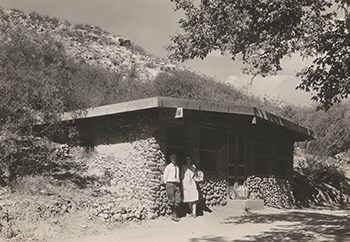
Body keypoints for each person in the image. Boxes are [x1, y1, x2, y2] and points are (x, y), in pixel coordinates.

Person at [163, 154, 181, 222]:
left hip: (176, 184)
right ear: (170, 158)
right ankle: (173, 214)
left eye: (175, 157)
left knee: (178, 199)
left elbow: (178, 176)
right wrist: (167, 184)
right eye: (173, 157)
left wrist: (178, 182)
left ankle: (175, 212)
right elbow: (165, 175)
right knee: (172, 200)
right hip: (170, 184)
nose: (174, 159)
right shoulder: (168, 167)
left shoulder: (177, 167)